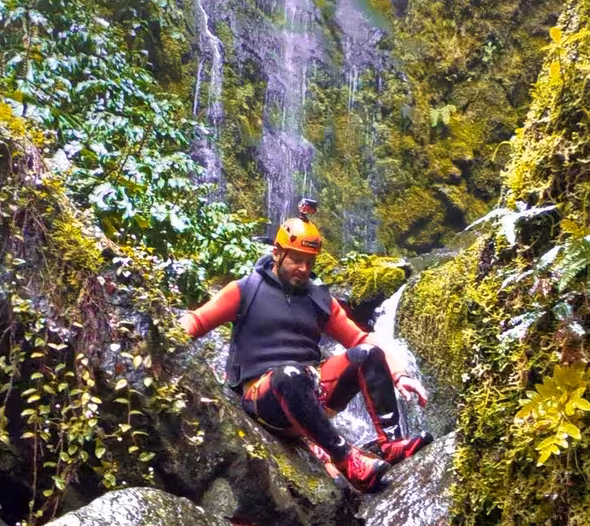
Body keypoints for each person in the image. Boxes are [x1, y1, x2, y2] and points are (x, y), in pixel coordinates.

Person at [178, 205, 428, 495]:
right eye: (296, 260)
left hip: (310, 394)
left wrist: (399, 374)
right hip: (264, 397)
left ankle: (392, 444)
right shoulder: (246, 289)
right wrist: (167, 331)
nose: (304, 269)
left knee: (368, 355)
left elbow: (361, 339)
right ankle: (345, 458)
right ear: (277, 253)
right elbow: (197, 320)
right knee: (289, 374)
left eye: (309, 262)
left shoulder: (319, 299)